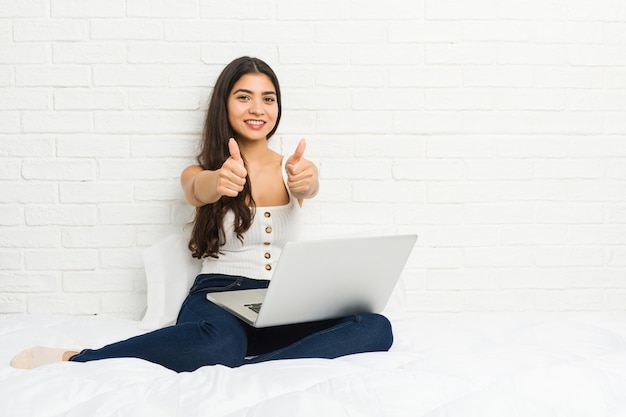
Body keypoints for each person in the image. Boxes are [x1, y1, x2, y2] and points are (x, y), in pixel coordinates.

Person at [10, 56, 393, 372]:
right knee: (220, 343)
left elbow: (309, 187)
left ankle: (252, 369)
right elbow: (198, 190)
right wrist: (219, 181)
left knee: (376, 328)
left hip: (282, 302)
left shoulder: (294, 169)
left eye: (268, 98)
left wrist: (308, 182)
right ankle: (78, 358)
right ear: (224, 104)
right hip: (217, 298)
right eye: (244, 97)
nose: (258, 109)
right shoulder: (200, 173)